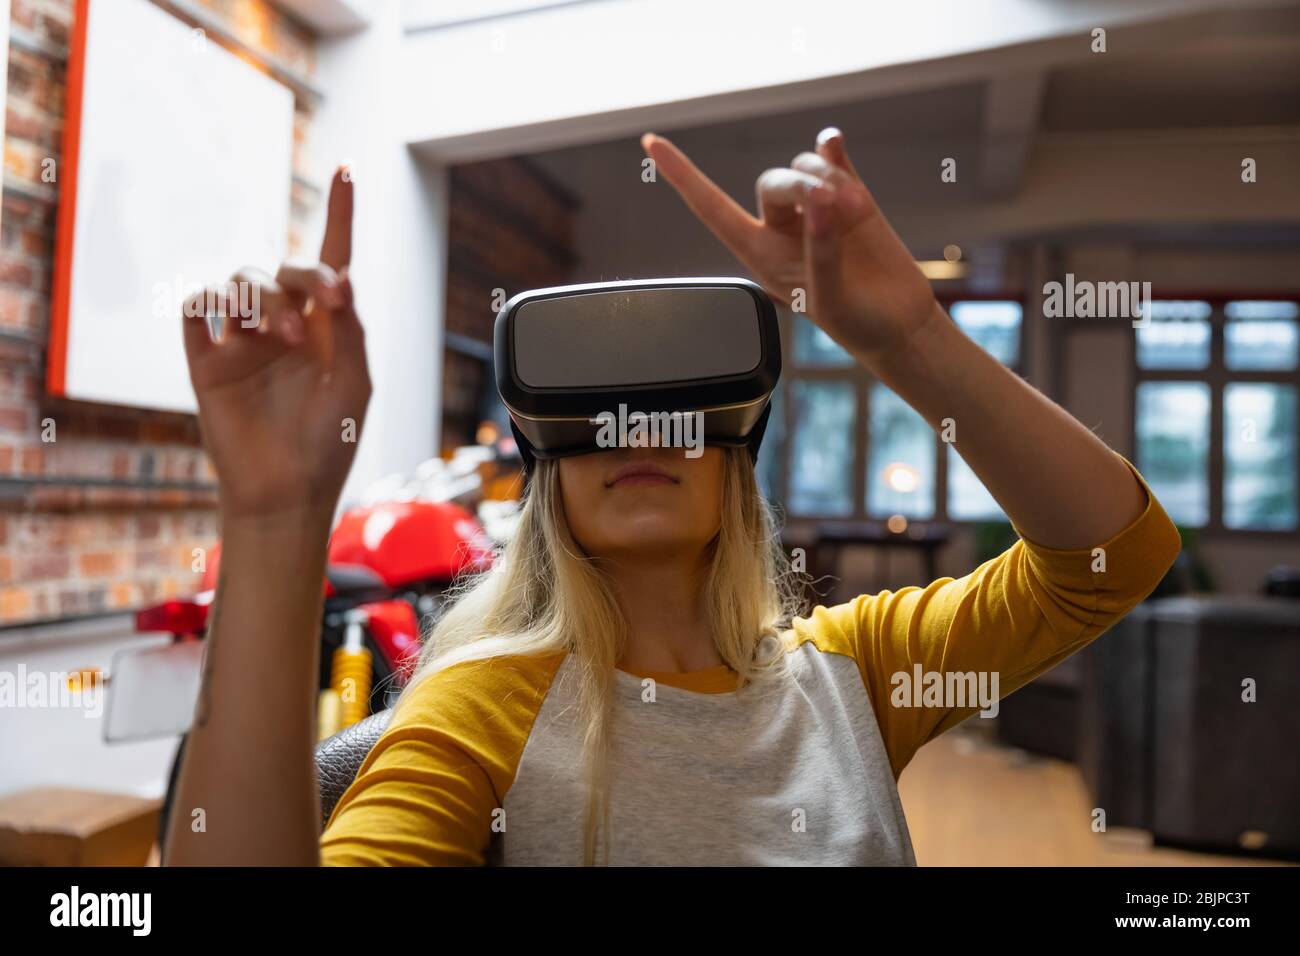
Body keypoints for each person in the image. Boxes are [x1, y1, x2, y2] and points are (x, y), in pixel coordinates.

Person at [163, 128, 1180, 866]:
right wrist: (272, 519)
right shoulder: (483, 704)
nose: (639, 428)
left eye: (676, 407)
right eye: (600, 412)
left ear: (735, 459)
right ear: (550, 470)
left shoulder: (858, 673)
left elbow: (1111, 557)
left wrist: (906, 339)